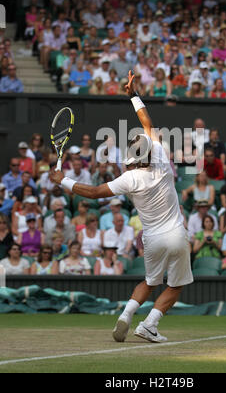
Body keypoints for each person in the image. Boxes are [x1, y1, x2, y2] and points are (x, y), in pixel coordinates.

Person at [50, 70, 193, 344]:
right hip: (175, 234)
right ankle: (149, 324)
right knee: (176, 285)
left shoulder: (129, 178)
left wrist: (63, 180)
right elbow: (147, 121)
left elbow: (92, 192)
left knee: (150, 282)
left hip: (151, 238)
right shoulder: (162, 160)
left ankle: (127, 315)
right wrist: (134, 95)